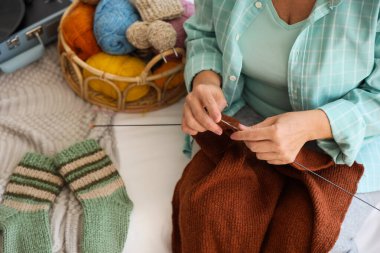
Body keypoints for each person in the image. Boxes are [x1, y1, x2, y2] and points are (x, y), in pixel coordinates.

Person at [177, 0, 380, 252]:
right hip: (246, 114)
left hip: (348, 140)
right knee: (210, 216)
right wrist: (206, 81)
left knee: (306, 238)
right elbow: (204, 35)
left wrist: (311, 125)